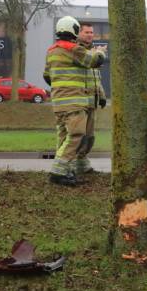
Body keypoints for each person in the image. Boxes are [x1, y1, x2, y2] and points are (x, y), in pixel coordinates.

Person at [43, 16, 107, 186]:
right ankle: (59, 171)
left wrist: (61, 88)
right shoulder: (74, 50)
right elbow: (95, 61)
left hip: (59, 103)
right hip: (75, 103)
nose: (88, 35)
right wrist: (100, 52)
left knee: (64, 137)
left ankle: (68, 168)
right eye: (83, 31)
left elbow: (47, 76)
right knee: (77, 136)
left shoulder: (52, 50)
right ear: (75, 31)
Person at [75, 22, 107, 175]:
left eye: (91, 32)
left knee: (90, 137)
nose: (90, 35)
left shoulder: (93, 52)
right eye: (86, 32)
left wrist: (101, 96)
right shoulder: (77, 51)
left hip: (91, 102)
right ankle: (73, 165)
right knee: (77, 136)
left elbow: (96, 78)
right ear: (79, 33)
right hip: (79, 101)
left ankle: (82, 164)